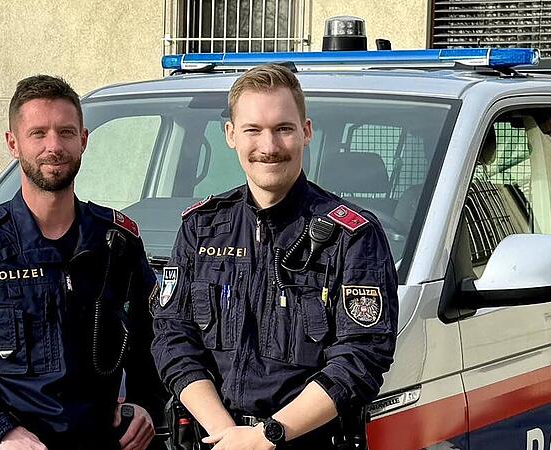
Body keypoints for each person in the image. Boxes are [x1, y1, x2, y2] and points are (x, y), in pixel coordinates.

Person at [0, 75, 166, 450]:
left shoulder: (117, 243)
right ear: (13, 144)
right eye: (38, 133)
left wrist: (145, 403)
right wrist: (0, 430)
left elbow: (154, 339)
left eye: (66, 132)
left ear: (84, 140)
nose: (53, 146)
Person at [151, 64, 398, 450]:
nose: (268, 147)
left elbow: (360, 357)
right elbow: (173, 339)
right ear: (231, 135)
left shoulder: (352, 236)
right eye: (253, 130)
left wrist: (267, 436)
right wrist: (228, 436)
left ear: (306, 131)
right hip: (214, 440)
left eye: (283, 128)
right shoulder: (201, 228)